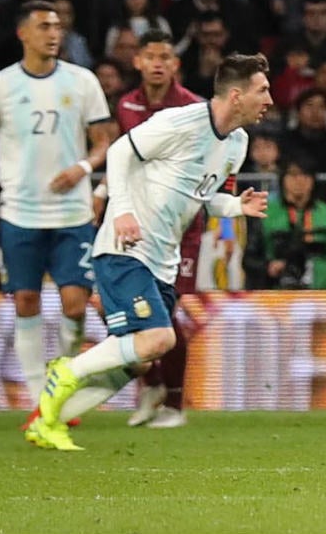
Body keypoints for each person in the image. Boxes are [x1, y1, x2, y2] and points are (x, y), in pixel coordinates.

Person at [26, 53, 272, 451]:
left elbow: (206, 197)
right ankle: (64, 374)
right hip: (125, 248)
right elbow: (121, 152)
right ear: (236, 94)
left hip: (163, 261)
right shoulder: (181, 121)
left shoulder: (236, 143)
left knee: (139, 359)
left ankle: (49, 419)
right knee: (159, 339)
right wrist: (120, 210)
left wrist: (235, 207)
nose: (270, 99)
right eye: (262, 90)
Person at [0, 0, 113, 421]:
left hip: (72, 213)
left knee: (73, 303)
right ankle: (41, 399)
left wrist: (82, 167)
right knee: (26, 299)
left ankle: (60, 381)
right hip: (20, 213)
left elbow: (104, 139)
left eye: (57, 25)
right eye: (44, 26)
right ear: (23, 34)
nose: (54, 33)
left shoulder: (82, 82)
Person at [110, 29, 203, 429]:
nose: (158, 63)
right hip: (141, 221)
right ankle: (152, 386)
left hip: (183, 224)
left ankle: (174, 405)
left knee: (165, 309)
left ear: (176, 64)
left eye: (165, 55)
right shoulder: (126, 104)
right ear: (138, 62)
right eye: (151, 56)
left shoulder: (194, 107)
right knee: (132, 307)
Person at [243, 158, 326, 290]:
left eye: (305, 175)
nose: (299, 180)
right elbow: (249, 260)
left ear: (313, 180)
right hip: (277, 295)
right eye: (293, 174)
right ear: (283, 178)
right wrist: (269, 267)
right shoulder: (265, 214)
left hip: (324, 295)